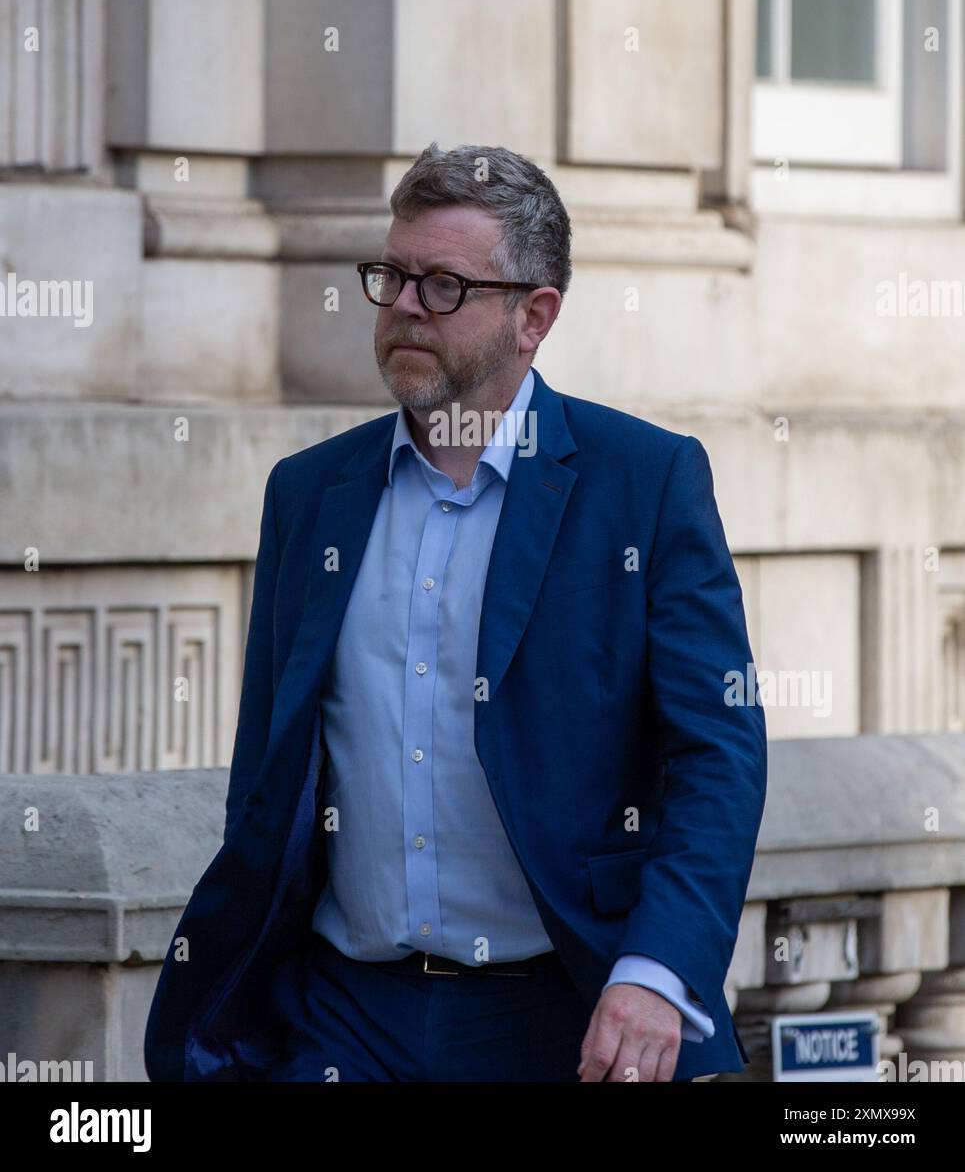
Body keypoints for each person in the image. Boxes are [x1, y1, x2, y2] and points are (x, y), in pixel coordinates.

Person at [144, 141, 767, 1084]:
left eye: (441, 285)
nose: (401, 306)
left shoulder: (640, 483)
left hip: (561, 1017)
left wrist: (656, 970)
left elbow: (717, 751)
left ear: (534, 315)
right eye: (390, 276)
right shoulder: (309, 493)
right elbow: (269, 766)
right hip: (343, 1017)